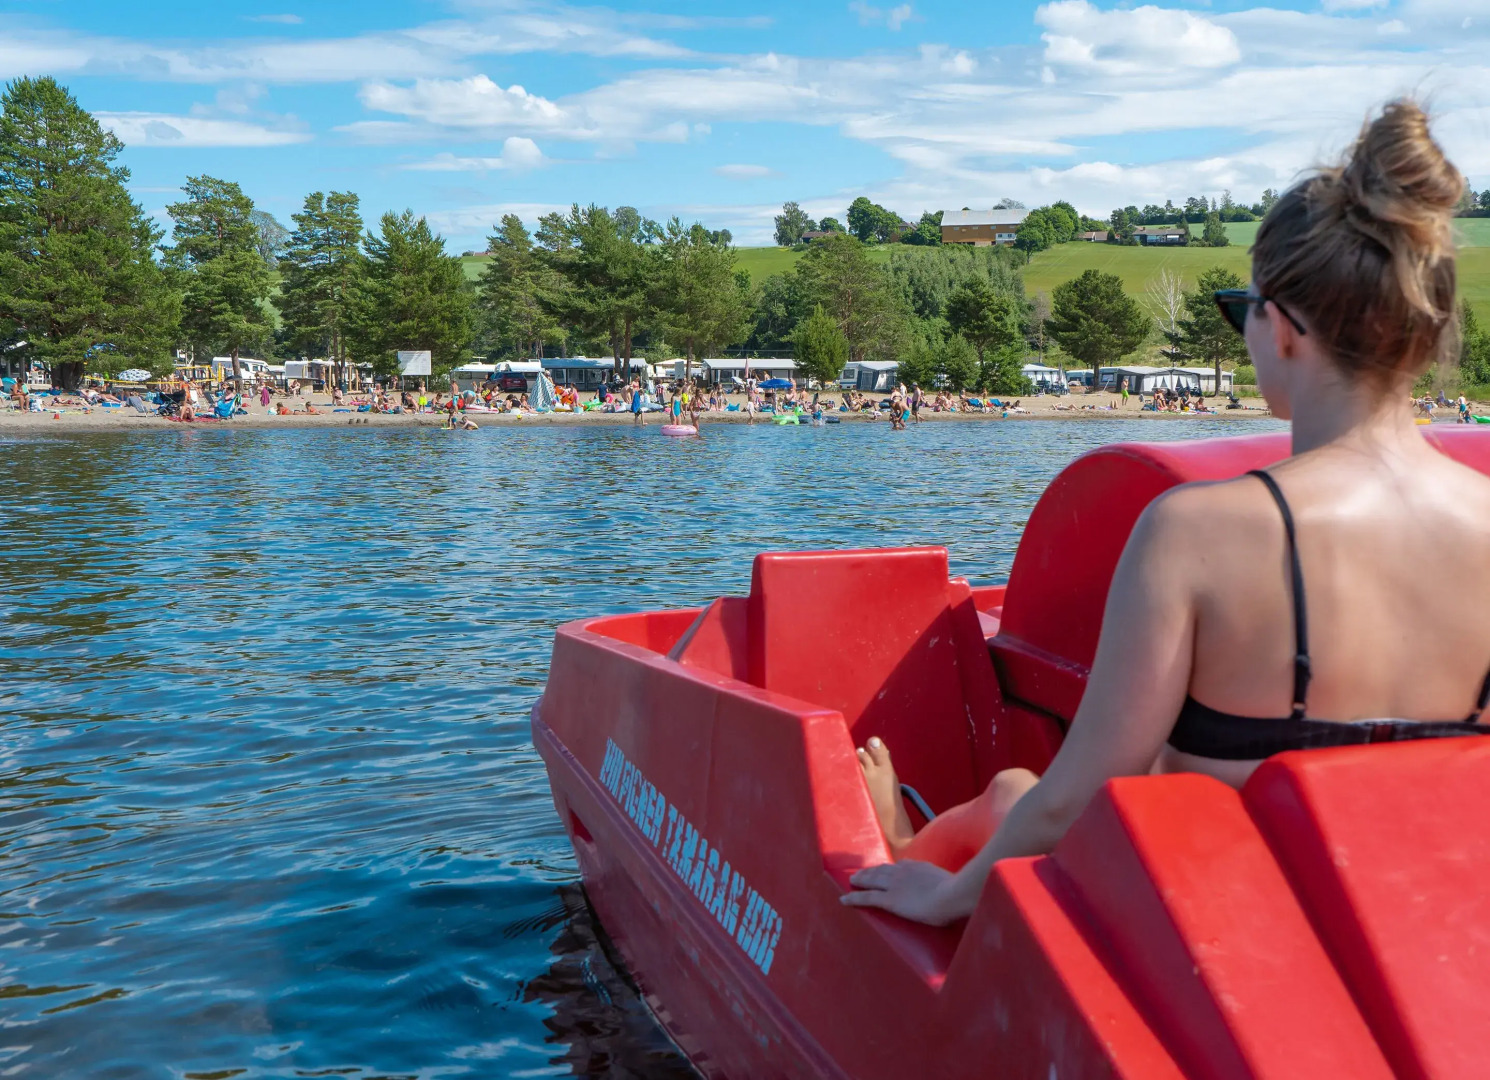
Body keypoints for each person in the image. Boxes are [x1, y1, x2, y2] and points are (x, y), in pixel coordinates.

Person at [842, 99, 1490, 926]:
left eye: (1240, 309)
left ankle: (903, 853)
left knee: (1016, 794)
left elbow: (1074, 798)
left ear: (1284, 328)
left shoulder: (1197, 533)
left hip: (1220, 924)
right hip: (1421, 920)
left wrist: (948, 901)